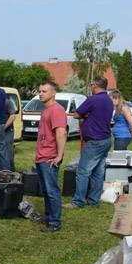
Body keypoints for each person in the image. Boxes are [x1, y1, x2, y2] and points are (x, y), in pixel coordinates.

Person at [66, 77, 114, 209]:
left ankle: (78, 201)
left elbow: (76, 114)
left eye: (92, 85)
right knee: (98, 173)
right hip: (105, 139)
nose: (91, 87)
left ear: (95, 86)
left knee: (83, 171)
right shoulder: (108, 100)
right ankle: (93, 200)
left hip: (94, 141)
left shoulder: (93, 99)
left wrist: (86, 116)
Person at [35, 82, 67, 233]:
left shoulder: (57, 110)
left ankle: (55, 222)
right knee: (46, 190)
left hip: (49, 157)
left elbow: (61, 133)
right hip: (41, 156)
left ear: (53, 93)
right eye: (40, 91)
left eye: (44, 91)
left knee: (52, 190)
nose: (41, 94)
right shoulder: (46, 110)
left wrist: (59, 156)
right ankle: (49, 217)